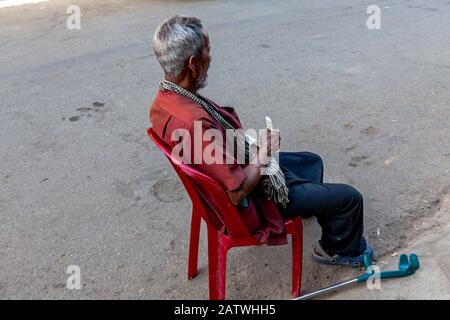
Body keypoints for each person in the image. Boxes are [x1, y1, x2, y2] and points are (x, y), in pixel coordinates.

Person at [149, 15, 373, 267]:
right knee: (350, 199)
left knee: (311, 162)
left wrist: (252, 149)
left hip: (234, 170)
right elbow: (238, 192)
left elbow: (215, 151)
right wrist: (263, 152)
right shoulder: (194, 124)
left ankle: (312, 205)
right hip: (250, 201)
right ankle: (337, 250)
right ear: (192, 63)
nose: (210, 57)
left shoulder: (165, 99)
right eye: (207, 51)